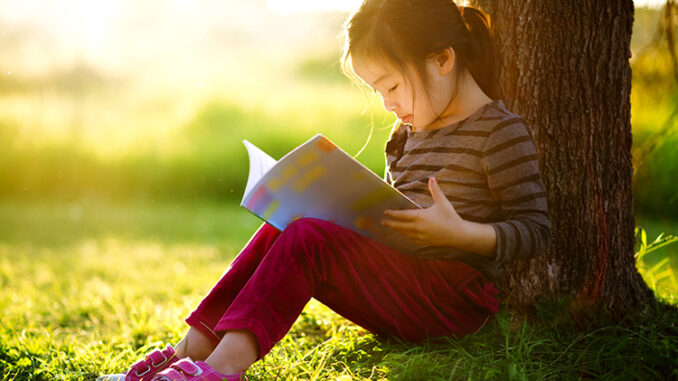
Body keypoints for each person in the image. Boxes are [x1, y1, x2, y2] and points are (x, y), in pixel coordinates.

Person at [98, 0, 551, 380]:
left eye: (392, 85)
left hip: (454, 302)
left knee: (308, 237)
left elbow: (536, 230)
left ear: (443, 60)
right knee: (289, 224)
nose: (388, 103)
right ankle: (186, 354)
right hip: (402, 287)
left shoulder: (499, 133)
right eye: (378, 91)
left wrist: (462, 234)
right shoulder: (406, 133)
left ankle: (219, 370)